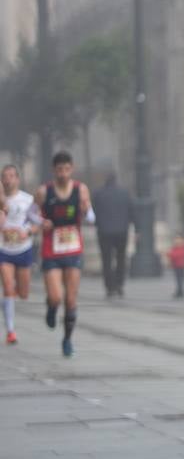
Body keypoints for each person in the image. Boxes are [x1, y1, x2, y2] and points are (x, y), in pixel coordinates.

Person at [36, 152, 92, 357]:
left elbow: (90, 214)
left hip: (73, 248)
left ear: (72, 169)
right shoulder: (44, 191)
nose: (63, 174)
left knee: (70, 299)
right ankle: (51, 307)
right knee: (56, 296)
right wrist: (42, 222)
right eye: (59, 170)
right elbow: (32, 214)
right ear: (54, 170)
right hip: (51, 249)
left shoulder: (81, 189)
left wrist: (87, 212)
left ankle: (67, 340)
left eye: (66, 169)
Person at [1, 164, 43, 345]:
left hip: (24, 248)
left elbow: (37, 223)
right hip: (4, 250)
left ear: (17, 179)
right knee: (8, 288)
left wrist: (28, 232)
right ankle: (11, 331)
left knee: (24, 293)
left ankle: (11, 296)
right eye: (5, 176)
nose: (8, 179)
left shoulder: (27, 200)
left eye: (11, 176)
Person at [91, 171, 132, 299]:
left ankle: (110, 287)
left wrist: (98, 224)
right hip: (122, 231)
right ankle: (119, 284)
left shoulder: (98, 194)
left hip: (104, 232)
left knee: (106, 260)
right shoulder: (124, 193)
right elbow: (131, 211)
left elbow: (93, 213)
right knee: (121, 259)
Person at [167, 233, 184, 298]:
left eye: (178, 238)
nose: (177, 240)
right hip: (175, 265)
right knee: (178, 279)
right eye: (176, 238)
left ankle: (180, 291)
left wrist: (170, 254)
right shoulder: (175, 248)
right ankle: (179, 291)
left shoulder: (183, 248)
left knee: (180, 279)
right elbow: (171, 255)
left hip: (181, 266)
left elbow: (176, 255)